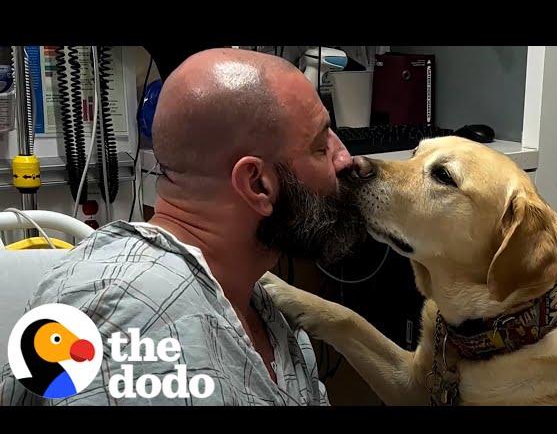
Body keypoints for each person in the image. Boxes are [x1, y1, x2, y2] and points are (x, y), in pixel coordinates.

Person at [0, 48, 367, 406]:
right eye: (320, 147)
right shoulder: (136, 322)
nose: (345, 158)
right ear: (257, 184)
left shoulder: (257, 306)